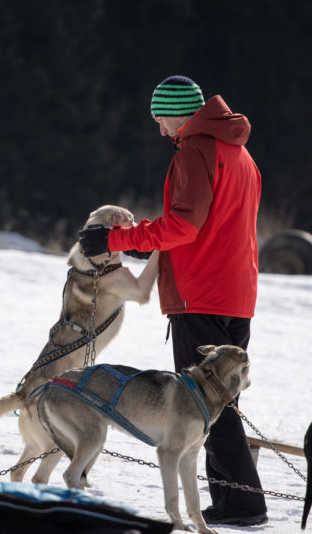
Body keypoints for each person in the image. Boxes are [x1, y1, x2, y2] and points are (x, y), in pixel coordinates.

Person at [78, 75, 267, 527]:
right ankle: (236, 502)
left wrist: (116, 238)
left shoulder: (195, 152)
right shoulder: (241, 154)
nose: (161, 131)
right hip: (236, 293)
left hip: (201, 292)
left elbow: (183, 226)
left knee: (203, 406)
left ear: (178, 113)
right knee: (222, 404)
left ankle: (243, 507)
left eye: (161, 120)